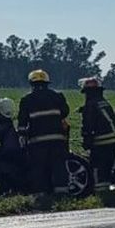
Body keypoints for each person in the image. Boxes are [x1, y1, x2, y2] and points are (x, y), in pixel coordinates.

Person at [17, 69, 71, 197]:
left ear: (32, 84)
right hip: (57, 140)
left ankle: (40, 194)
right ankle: (61, 193)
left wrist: (22, 137)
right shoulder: (58, 96)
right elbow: (65, 112)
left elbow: (22, 122)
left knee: (38, 168)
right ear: (47, 83)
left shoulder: (27, 100)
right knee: (59, 166)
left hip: (37, 142)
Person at [77, 76, 115, 189]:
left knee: (97, 167)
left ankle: (99, 192)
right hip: (114, 140)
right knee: (107, 167)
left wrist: (87, 141)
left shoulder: (91, 105)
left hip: (102, 141)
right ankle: (106, 189)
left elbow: (88, 125)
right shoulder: (103, 102)